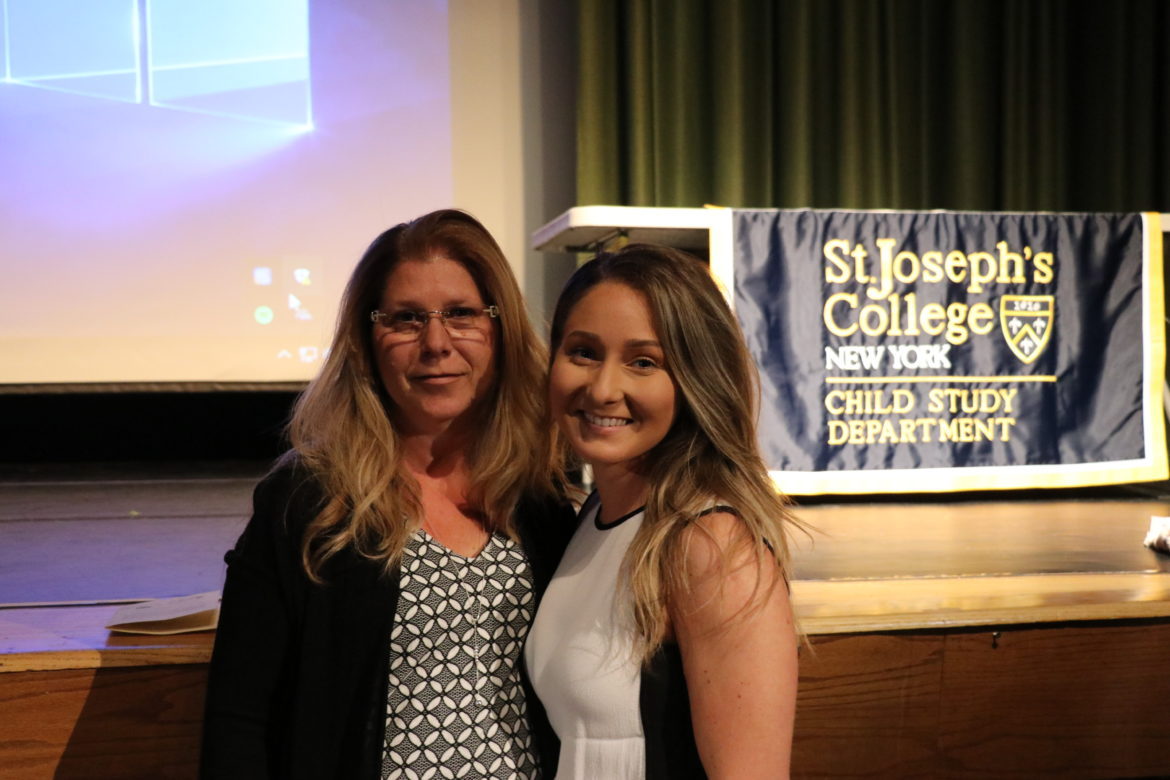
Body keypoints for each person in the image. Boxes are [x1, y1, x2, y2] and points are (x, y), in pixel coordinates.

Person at [201, 209, 574, 779]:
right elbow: (238, 720)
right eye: (404, 318)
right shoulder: (309, 502)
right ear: (367, 341)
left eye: (461, 314)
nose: (436, 342)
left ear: (500, 329)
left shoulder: (537, 497)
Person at [525, 244, 801, 779]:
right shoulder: (594, 517)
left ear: (696, 379)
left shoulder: (711, 544)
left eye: (643, 362)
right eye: (582, 352)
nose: (603, 388)